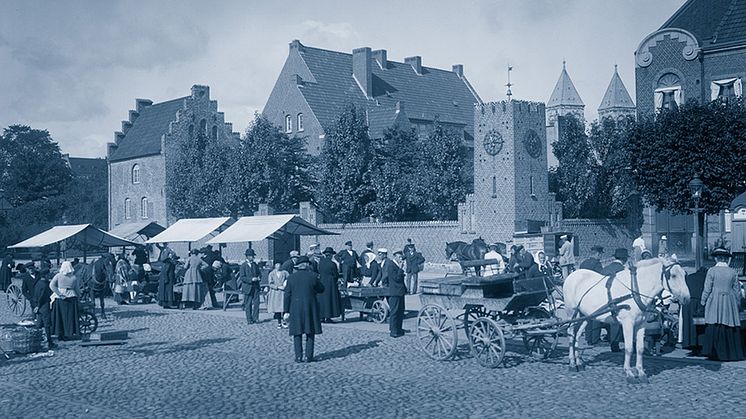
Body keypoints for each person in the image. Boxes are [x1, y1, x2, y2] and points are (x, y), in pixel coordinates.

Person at [699, 247, 743, 361]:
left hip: (715, 299)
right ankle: (732, 353)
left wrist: (703, 301)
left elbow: (707, 288)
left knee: (715, 322)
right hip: (729, 299)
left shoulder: (712, 271)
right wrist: (737, 304)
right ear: (725, 259)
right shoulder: (733, 272)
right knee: (729, 323)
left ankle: (713, 352)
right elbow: (737, 290)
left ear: (716, 259)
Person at [283, 256, 324, 362]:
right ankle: (308, 356)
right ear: (307, 265)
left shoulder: (291, 277)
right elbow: (321, 289)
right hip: (310, 307)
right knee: (310, 331)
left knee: (297, 332)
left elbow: (287, 295)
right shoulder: (313, 276)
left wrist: (286, 311)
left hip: (295, 307)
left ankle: (298, 356)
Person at [600, 248, 629, 352]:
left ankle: (611, 339)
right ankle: (615, 344)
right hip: (617, 297)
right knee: (617, 320)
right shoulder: (624, 270)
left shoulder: (606, 268)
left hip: (603, 296)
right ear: (624, 259)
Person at [579, 246, 605, 345]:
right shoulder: (597, 264)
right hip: (594, 293)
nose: (601, 256)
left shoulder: (583, 263)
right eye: (601, 254)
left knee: (586, 316)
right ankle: (595, 339)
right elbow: (601, 278)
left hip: (583, 293)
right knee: (596, 315)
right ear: (598, 254)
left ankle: (588, 337)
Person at [378, 249, 407, 338]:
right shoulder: (391, 265)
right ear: (395, 256)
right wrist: (401, 269)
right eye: (399, 257)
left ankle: (399, 328)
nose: (401, 259)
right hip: (394, 292)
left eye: (401, 257)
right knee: (394, 311)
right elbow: (396, 278)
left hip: (400, 292)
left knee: (401, 311)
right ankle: (393, 331)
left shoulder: (397, 265)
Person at [50, 261, 81, 341]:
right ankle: (69, 333)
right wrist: (79, 297)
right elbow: (77, 289)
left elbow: (51, 285)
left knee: (59, 317)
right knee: (69, 317)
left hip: (60, 298)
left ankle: (59, 333)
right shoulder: (74, 277)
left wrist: (59, 293)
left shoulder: (58, 276)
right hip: (71, 297)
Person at [317, 247, 342, 323]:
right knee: (330, 299)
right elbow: (336, 274)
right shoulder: (332, 264)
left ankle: (321, 316)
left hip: (322, 282)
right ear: (331, 255)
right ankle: (328, 317)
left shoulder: (320, 263)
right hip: (330, 284)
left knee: (322, 300)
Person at [32, 269, 56, 350]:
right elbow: (42, 297)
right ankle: (49, 342)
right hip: (44, 305)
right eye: (48, 274)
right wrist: (38, 306)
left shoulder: (38, 283)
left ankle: (36, 341)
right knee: (47, 324)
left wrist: (36, 306)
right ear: (45, 275)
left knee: (39, 324)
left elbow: (36, 295)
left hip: (38, 306)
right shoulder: (45, 285)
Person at [239, 248, 262, 324]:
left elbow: (259, 273)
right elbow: (242, 277)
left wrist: (259, 277)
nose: (253, 258)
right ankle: (249, 319)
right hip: (247, 287)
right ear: (247, 257)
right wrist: (251, 279)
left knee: (257, 303)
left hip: (256, 287)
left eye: (253, 256)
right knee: (248, 304)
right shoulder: (243, 266)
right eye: (251, 256)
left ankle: (255, 318)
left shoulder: (255, 265)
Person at [267, 262, 288, 328]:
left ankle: (284, 321)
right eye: (277, 267)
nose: (278, 268)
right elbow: (270, 284)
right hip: (275, 292)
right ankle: (279, 322)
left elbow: (289, 279)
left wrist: (285, 284)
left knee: (284, 307)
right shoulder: (272, 274)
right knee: (277, 308)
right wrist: (277, 287)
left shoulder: (284, 273)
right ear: (275, 267)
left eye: (279, 266)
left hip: (283, 292)